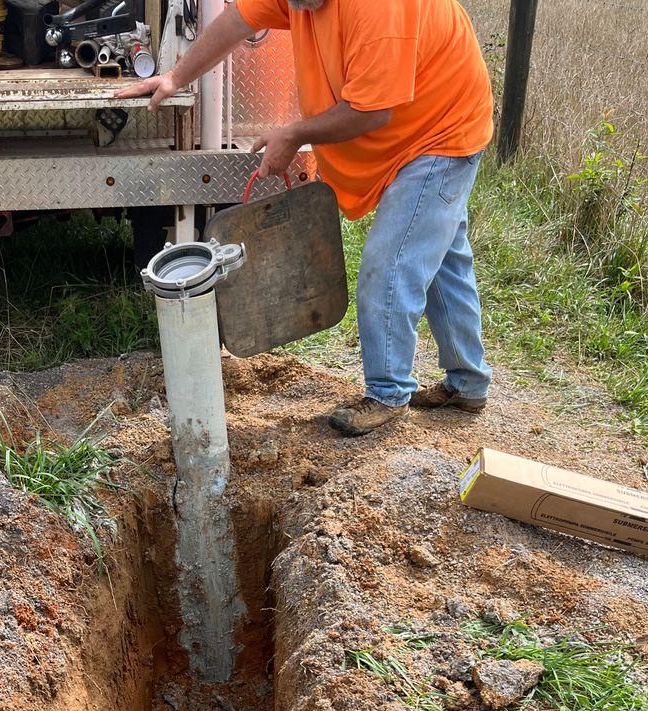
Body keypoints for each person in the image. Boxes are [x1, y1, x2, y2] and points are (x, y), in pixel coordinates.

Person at [120, 0, 494, 436]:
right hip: (413, 130)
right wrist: (176, 76)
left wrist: (294, 133)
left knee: (390, 266)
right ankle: (468, 384)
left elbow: (372, 110)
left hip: (441, 133)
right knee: (445, 260)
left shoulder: (379, 9)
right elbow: (238, 21)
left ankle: (388, 393)